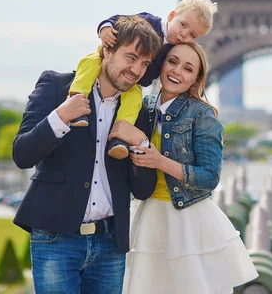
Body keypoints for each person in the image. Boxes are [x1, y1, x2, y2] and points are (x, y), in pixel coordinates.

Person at [12, 15, 162, 294]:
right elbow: (22, 154)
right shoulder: (58, 87)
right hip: (56, 239)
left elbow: (143, 189)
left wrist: (141, 142)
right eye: (130, 57)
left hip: (109, 245)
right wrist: (60, 117)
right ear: (107, 50)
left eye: (144, 64)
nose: (136, 70)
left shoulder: (137, 111)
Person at [109, 42, 258, 294]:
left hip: (187, 219)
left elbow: (210, 177)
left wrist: (159, 161)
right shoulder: (142, 107)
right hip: (149, 217)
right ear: (162, 63)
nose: (177, 71)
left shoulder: (202, 115)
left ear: (195, 80)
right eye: (173, 61)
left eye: (188, 69)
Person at [67, 0, 218, 160]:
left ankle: (119, 137)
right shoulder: (150, 21)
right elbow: (119, 20)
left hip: (133, 83)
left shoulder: (174, 51)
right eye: (183, 25)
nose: (184, 34)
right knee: (90, 63)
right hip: (103, 58)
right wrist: (105, 28)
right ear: (171, 16)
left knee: (133, 101)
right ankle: (77, 100)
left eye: (192, 35)